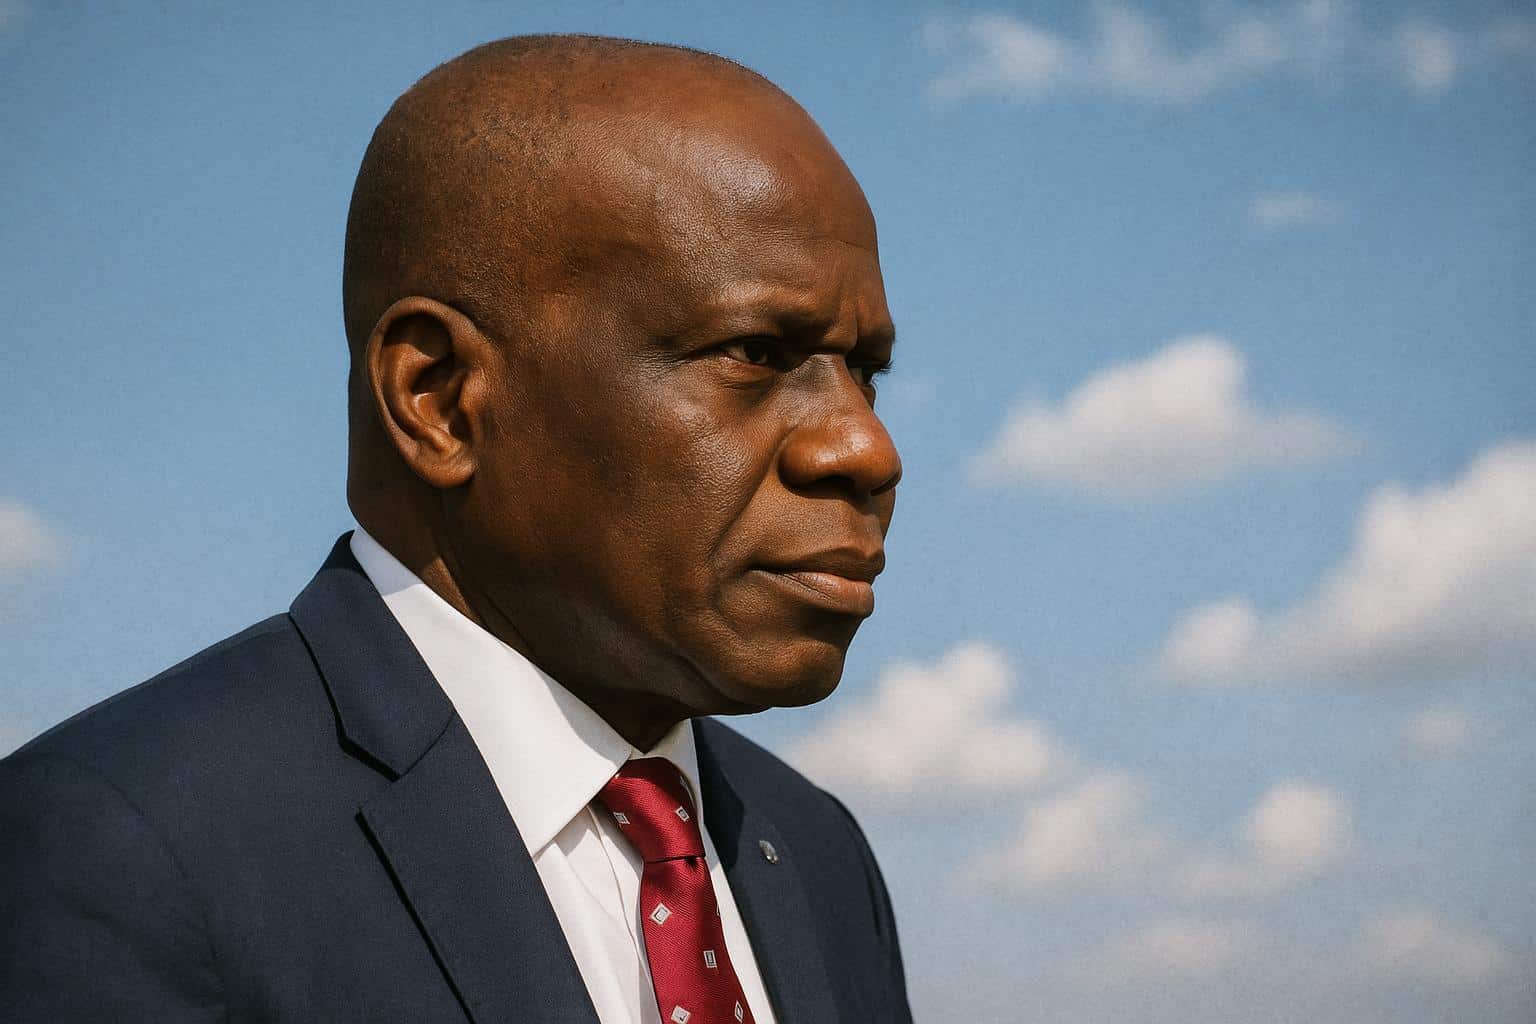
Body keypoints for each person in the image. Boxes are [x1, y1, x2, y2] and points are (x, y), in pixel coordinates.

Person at [0, 34, 910, 1024]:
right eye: (754, 352)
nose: (866, 449)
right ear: (438, 398)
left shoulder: (816, 855)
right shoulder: (122, 849)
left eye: (865, 371)